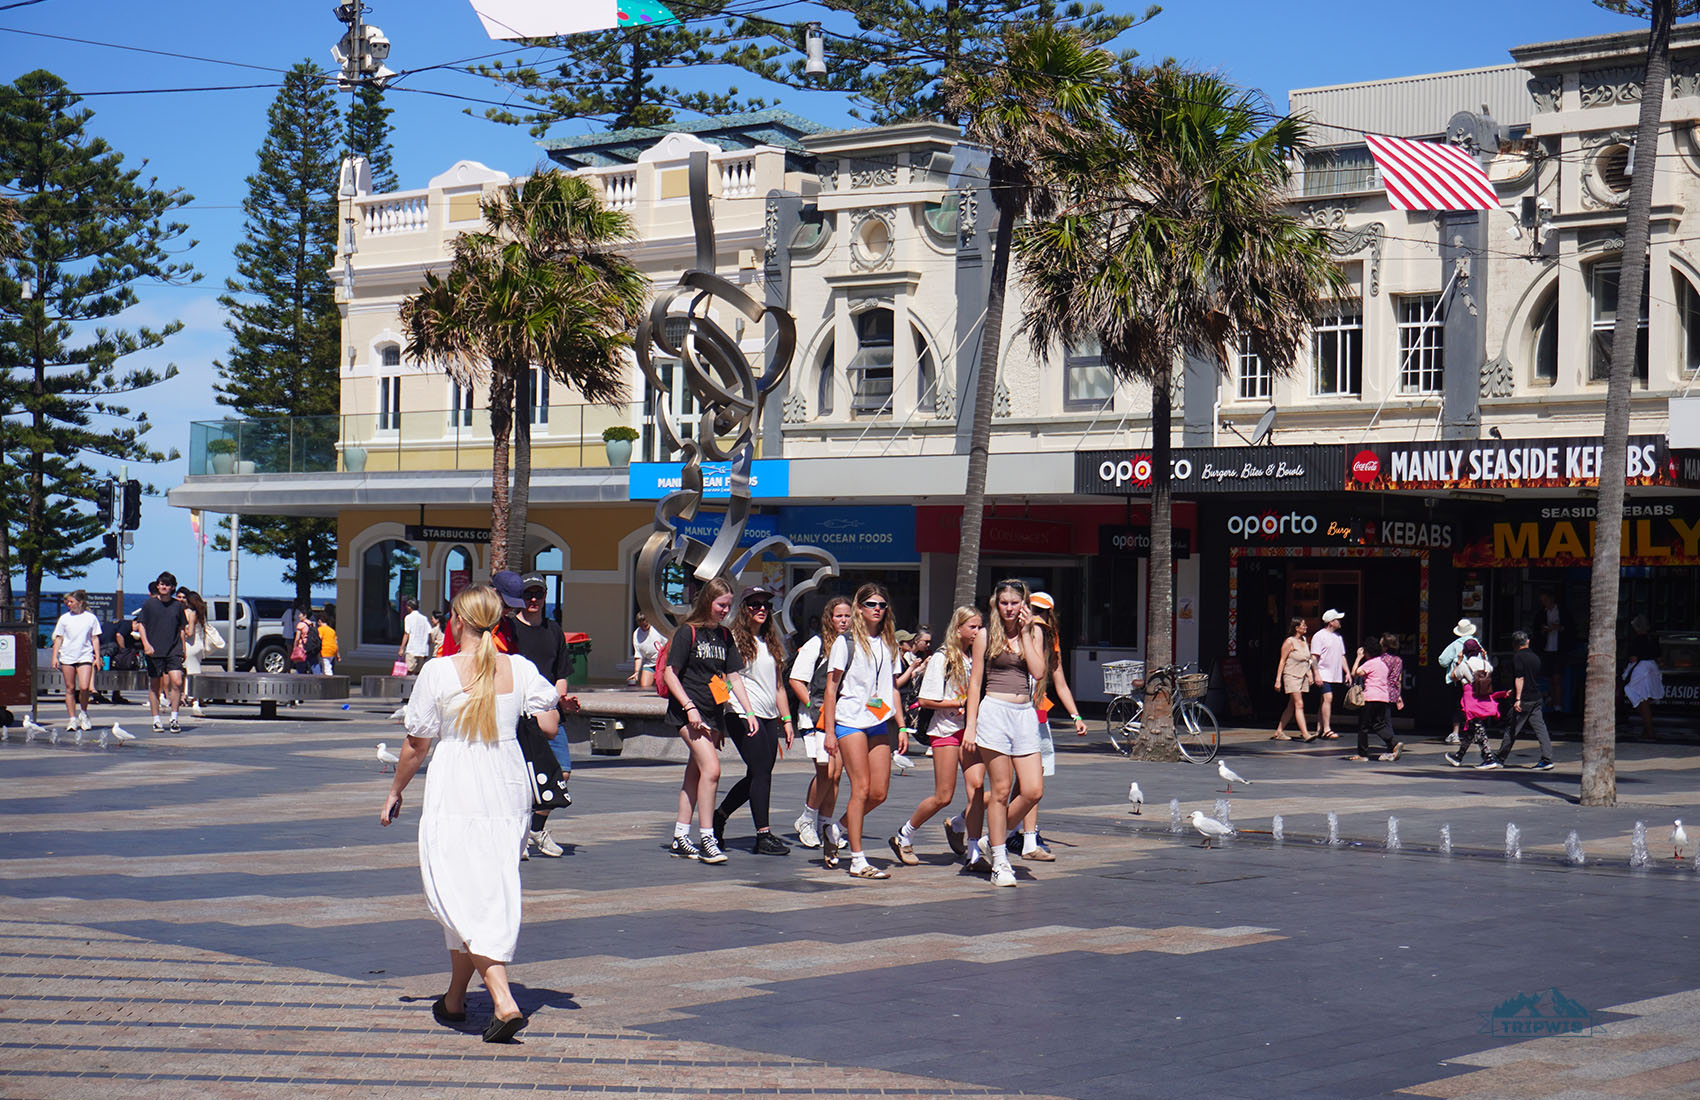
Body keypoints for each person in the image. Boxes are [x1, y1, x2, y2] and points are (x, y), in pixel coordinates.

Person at [379, 584, 560, 1044]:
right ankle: (456, 997)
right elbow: (550, 722)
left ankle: (502, 999)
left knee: (460, 890)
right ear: (498, 622)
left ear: (458, 621)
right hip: (507, 784)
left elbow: (417, 744)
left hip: (458, 785)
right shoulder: (519, 669)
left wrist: (395, 791)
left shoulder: (439, 673)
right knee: (484, 887)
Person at [662, 578, 759, 865]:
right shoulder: (687, 633)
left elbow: (733, 677)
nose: (724, 611)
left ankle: (681, 835)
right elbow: (670, 673)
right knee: (712, 771)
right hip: (688, 714)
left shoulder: (725, 637)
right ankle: (707, 838)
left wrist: (748, 711)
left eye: (728, 606)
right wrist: (690, 708)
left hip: (711, 714)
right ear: (708, 602)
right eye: (720, 605)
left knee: (695, 774)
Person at [490, 570, 583, 860]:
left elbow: (561, 674)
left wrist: (559, 700)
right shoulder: (507, 629)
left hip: (547, 708)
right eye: (528, 594)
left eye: (538, 594)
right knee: (518, 776)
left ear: (545, 597)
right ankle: (518, 832)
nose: (533, 599)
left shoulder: (554, 630)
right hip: (517, 711)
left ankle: (535, 828)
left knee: (561, 772)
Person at [963, 579, 1049, 888]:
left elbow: (1039, 672)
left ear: (1023, 604)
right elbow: (975, 682)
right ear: (995, 605)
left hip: (1024, 713)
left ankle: (992, 840)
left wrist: (1026, 633)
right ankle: (1000, 860)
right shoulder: (985, 635)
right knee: (1000, 789)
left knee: (1033, 790)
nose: (1009, 608)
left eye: (1014, 603)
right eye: (1004, 603)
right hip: (994, 712)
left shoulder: (1034, 632)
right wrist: (971, 725)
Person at [818, 582, 906, 878]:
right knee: (861, 789)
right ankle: (857, 859)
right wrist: (830, 731)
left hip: (878, 720)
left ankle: (837, 828)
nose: (878, 609)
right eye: (871, 604)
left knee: (879, 793)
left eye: (882, 605)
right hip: (849, 721)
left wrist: (902, 726)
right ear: (859, 608)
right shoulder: (846, 642)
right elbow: (831, 688)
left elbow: (891, 688)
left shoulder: (889, 643)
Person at [890, 606, 981, 866]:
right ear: (959, 627)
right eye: (972, 627)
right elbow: (925, 700)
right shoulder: (943, 657)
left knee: (980, 792)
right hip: (945, 730)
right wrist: (954, 704)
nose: (976, 632)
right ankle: (904, 835)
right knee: (944, 795)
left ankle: (964, 834)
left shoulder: (975, 656)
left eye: (979, 627)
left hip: (970, 729)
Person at [714, 587, 794, 854]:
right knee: (760, 772)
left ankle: (720, 816)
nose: (761, 609)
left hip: (769, 716)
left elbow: (779, 686)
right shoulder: (733, 638)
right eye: (754, 605)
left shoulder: (772, 642)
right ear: (743, 608)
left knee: (759, 775)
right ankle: (763, 835)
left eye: (765, 605)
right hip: (741, 713)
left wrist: (787, 720)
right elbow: (721, 681)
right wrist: (719, 719)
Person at [1016, 592, 1089, 860]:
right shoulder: (1016, 637)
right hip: (1015, 715)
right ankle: (968, 822)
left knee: (1028, 785)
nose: (1037, 614)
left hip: (1037, 718)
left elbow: (1059, 683)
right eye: (1033, 609)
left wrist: (1076, 717)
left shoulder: (1050, 642)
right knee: (1014, 786)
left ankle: (1025, 837)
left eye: (1042, 611)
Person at [789, 597, 853, 851]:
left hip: (840, 718)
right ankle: (806, 819)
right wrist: (817, 710)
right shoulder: (816, 644)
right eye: (839, 616)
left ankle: (825, 825)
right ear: (829, 618)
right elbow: (796, 680)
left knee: (836, 775)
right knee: (825, 771)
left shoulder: (851, 645)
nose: (844, 621)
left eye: (847, 616)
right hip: (816, 719)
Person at [133, 572, 188, 733]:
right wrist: (146, 644)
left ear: (172, 587)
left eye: (167, 584)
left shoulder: (178, 606)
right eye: (161, 584)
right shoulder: (149, 604)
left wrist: (182, 648)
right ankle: (156, 719)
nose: (164, 587)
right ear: (158, 586)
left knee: (177, 682)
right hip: (154, 649)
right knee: (155, 685)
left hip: (173, 649)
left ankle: (174, 718)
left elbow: (181, 628)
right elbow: (141, 625)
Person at [1495, 630, 1553, 770]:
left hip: (1524, 699)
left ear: (1515, 644)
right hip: (1536, 697)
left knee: (1512, 728)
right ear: (1528, 642)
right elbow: (1531, 678)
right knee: (1541, 729)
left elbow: (1520, 678)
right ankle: (1547, 758)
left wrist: (1517, 698)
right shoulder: (1535, 657)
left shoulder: (1518, 657)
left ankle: (1500, 758)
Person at [1347, 633, 1404, 763]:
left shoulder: (1369, 663)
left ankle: (1363, 754)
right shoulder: (1383, 664)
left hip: (1370, 697)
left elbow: (1355, 673)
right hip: (1383, 697)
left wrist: (1358, 658)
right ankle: (1393, 743)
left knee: (1363, 727)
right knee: (1378, 724)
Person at [51, 589, 101, 732]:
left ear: (80, 603)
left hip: (85, 654)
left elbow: (95, 638)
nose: (69, 604)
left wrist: (97, 656)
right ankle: (72, 718)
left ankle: (83, 713)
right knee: (70, 688)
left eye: (72, 602)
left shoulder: (90, 618)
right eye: (68, 602)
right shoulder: (64, 618)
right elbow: (58, 638)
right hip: (67, 655)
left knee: (85, 687)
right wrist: (55, 656)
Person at [1444, 639, 1500, 769]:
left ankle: (1489, 758)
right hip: (1484, 699)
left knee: (1478, 726)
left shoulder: (1464, 665)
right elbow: (1489, 670)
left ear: (1465, 651)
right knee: (1472, 729)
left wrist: (1458, 661)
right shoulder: (1486, 664)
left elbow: (1453, 676)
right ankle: (1458, 756)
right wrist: (1485, 656)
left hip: (1472, 700)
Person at [180, 589, 222, 718]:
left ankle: (194, 700)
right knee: (194, 672)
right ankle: (192, 698)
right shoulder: (201, 614)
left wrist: (183, 632)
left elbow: (190, 632)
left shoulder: (189, 613)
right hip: (199, 645)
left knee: (191, 674)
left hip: (190, 645)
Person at [1437, 619, 1478, 745]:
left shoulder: (1455, 644)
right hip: (1476, 681)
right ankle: (1476, 732)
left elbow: (1442, 661)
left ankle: (1455, 733)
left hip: (1459, 681)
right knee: (1474, 705)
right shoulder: (1477, 643)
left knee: (1458, 705)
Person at [1623, 615, 1664, 741]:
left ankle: (1649, 730)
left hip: (1640, 671)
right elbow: (1660, 659)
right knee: (1644, 700)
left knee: (1642, 700)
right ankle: (1647, 730)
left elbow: (1633, 658)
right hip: (1652, 669)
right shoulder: (1652, 640)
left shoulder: (1636, 641)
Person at [1272, 618, 1313, 741]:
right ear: (1296, 628)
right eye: (1303, 625)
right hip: (1291, 675)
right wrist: (1278, 680)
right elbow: (1282, 660)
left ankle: (1279, 731)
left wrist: (1309, 673)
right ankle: (1305, 733)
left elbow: (1307, 660)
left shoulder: (1304, 640)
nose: (1305, 627)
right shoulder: (1289, 642)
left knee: (1291, 704)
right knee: (1299, 704)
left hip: (1302, 675)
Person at [1309, 609, 1347, 740]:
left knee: (1324, 700)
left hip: (1333, 674)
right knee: (1328, 698)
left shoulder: (1338, 637)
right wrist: (1316, 674)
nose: (1340, 621)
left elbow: (1342, 656)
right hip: (1323, 673)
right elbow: (1314, 657)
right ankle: (1326, 729)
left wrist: (1347, 672)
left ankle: (1320, 728)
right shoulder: (1319, 636)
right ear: (1331, 622)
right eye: (1337, 619)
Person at [1535, 590, 1571, 712]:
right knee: (1548, 678)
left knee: (1557, 678)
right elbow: (1536, 629)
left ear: (1551, 599)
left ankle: (1558, 706)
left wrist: (1559, 628)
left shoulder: (1562, 612)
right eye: (1542, 601)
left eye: (1545, 600)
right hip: (1546, 649)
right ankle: (1551, 702)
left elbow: (1570, 627)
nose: (1544, 603)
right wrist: (1543, 630)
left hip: (1559, 649)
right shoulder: (1541, 613)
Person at [628, 611, 664, 689]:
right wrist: (636, 672)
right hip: (650, 663)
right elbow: (638, 655)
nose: (643, 626)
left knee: (662, 686)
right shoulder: (636, 634)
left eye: (645, 623)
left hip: (663, 663)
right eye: (641, 624)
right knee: (644, 686)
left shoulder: (658, 630)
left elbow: (668, 646)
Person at [399, 597, 432, 674]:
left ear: (409, 607)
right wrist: (428, 643)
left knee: (409, 671)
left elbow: (406, 634)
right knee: (419, 673)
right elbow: (430, 632)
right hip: (422, 650)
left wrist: (401, 648)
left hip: (412, 648)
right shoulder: (424, 618)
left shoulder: (408, 618)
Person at [317, 607, 339, 675]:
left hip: (325, 650)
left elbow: (319, 639)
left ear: (320, 621)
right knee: (327, 666)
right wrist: (337, 655)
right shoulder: (332, 630)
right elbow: (336, 642)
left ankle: (330, 682)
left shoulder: (320, 629)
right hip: (333, 650)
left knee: (327, 668)